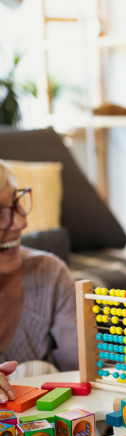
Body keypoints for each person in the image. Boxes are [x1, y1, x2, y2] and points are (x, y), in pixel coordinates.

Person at [0, 159, 79, 404]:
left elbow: (86, 370)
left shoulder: (51, 274)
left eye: (16, 202)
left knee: (37, 369)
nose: (21, 222)